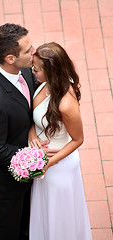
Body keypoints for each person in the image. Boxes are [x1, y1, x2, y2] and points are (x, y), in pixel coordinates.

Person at [0, 23, 37, 240]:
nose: (34, 52)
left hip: (29, 176)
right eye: (28, 50)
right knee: (9, 231)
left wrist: (32, 128)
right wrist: (34, 157)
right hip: (8, 185)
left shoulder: (26, 68)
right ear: (10, 58)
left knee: (30, 225)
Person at [29, 42, 92, 240]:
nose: (32, 71)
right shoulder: (44, 84)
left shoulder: (65, 103)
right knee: (46, 214)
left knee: (60, 219)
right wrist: (32, 133)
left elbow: (78, 139)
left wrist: (49, 163)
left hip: (59, 166)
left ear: (51, 71)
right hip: (44, 163)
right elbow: (37, 117)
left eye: (36, 69)